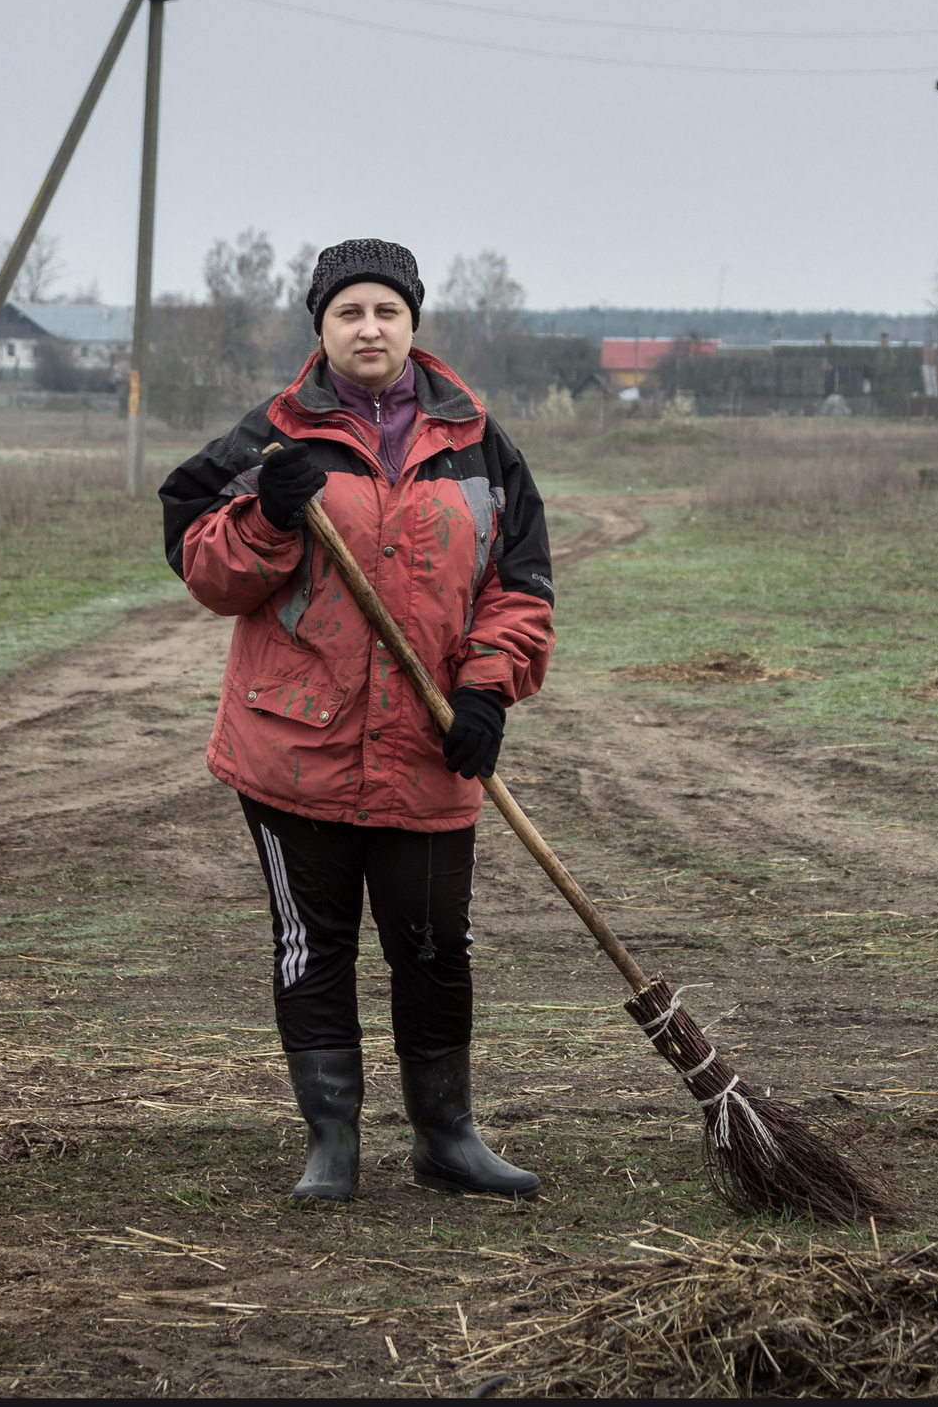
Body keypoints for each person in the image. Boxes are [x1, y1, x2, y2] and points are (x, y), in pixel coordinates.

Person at [159, 239, 554, 1205]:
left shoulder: (479, 445)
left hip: (429, 745)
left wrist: (486, 692)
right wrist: (268, 517)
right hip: (293, 746)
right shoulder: (270, 439)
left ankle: (446, 1138)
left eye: (385, 309)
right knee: (314, 945)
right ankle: (330, 1142)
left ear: (414, 323)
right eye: (348, 313)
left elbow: (520, 587)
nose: (368, 327)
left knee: (432, 944)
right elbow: (208, 569)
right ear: (321, 328)